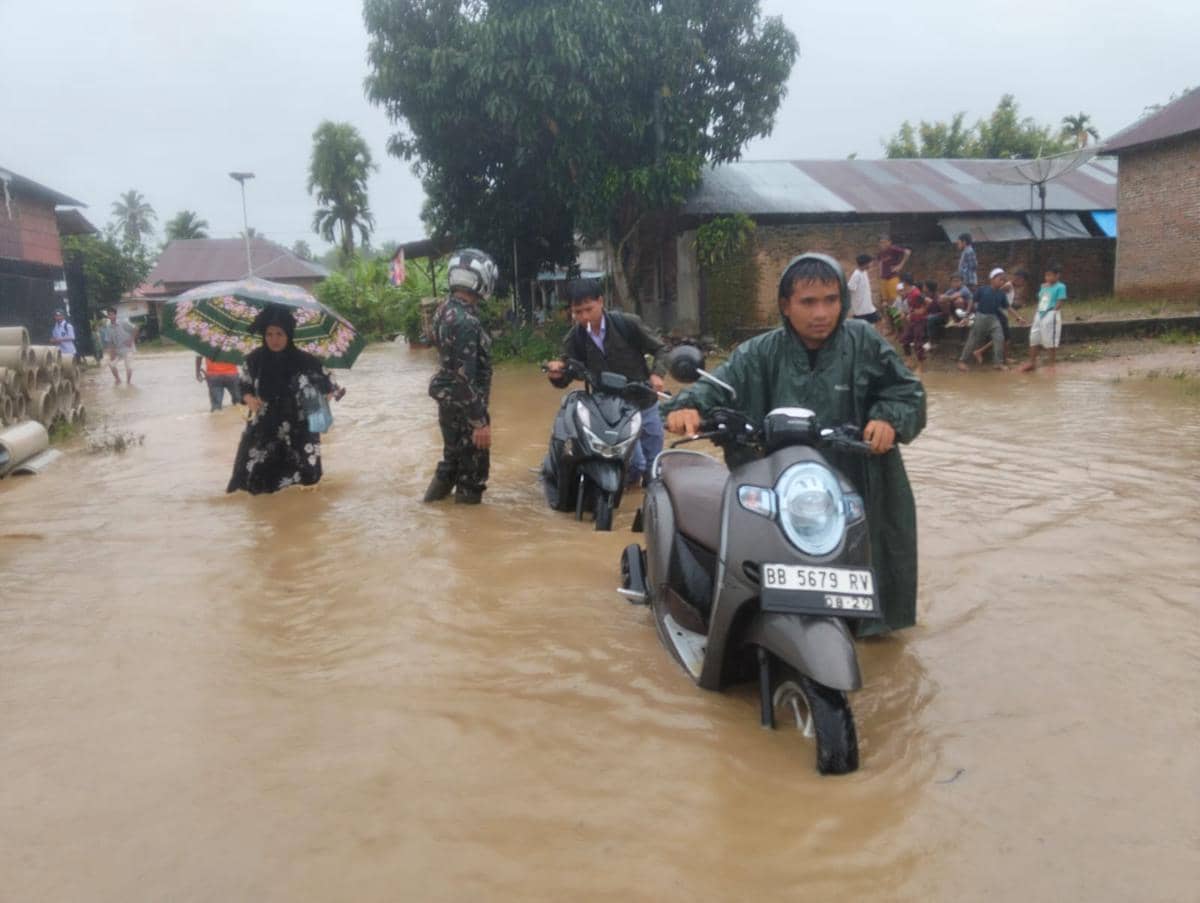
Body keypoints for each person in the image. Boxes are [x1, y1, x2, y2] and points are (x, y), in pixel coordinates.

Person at [662, 252, 926, 635]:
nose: (821, 313)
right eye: (808, 302)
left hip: (861, 480)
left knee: (876, 610)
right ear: (785, 306)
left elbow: (908, 393)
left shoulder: (864, 341)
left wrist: (888, 418)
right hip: (782, 486)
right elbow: (714, 388)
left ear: (844, 302)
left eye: (831, 300)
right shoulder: (760, 352)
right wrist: (686, 408)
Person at [545, 277, 667, 486]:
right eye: (578, 312)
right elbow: (569, 372)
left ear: (601, 301)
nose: (584, 317)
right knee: (635, 464)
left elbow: (661, 349)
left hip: (644, 400)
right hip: (610, 411)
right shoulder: (574, 339)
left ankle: (646, 505)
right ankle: (619, 497)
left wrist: (657, 374)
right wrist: (556, 374)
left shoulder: (627, 324)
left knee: (653, 466)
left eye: (588, 309)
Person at [226, 305, 337, 495]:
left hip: (300, 429)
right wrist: (250, 399)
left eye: (279, 334)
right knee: (258, 487)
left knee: (305, 486)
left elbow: (329, 385)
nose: (274, 340)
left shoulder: (306, 360)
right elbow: (242, 386)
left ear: (289, 334)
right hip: (264, 429)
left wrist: (320, 400)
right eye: (269, 334)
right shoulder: (254, 360)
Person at [423, 248, 499, 505]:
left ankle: (428, 511)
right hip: (468, 410)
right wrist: (479, 421)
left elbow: (445, 360)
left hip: (449, 408)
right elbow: (464, 377)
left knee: (452, 463)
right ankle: (471, 537)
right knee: (472, 477)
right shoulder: (467, 321)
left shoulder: (443, 311)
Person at [958, 267, 1010, 371]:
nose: (1002, 281)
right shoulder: (983, 290)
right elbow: (972, 301)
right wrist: (966, 316)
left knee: (999, 338)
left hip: (994, 319)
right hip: (981, 317)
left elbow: (1007, 307)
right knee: (973, 340)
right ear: (992, 279)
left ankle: (998, 363)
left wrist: (1018, 317)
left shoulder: (1001, 294)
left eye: (1003, 280)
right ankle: (962, 361)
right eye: (1000, 279)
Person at [1021, 262, 1068, 372]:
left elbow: (1060, 301)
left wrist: (1053, 312)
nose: (1047, 277)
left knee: (1050, 339)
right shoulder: (1043, 286)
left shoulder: (1061, 286)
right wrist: (1038, 312)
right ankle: (1032, 362)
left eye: (1050, 275)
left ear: (1057, 275)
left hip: (1051, 313)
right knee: (1034, 337)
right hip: (1040, 313)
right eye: (1046, 275)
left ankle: (1052, 365)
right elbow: (1041, 299)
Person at [876, 235, 911, 331]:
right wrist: (880, 275)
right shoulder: (880, 253)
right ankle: (890, 328)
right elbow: (880, 265)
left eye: (885, 242)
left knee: (895, 303)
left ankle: (898, 328)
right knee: (885, 304)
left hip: (893, 278)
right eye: (881, 242)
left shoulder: (893, 249)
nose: (883, 244)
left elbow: (907, 252)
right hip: (883, 279)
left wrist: (900, 265)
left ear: (889, 242)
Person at [98, 308, 137, 385]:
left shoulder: (123, 323)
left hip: (128, 349)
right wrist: (111, 354)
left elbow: (135, 328)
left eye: (112, 314)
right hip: (118, 350)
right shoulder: (108, 327)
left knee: (128, 367)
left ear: (115, 315)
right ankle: (118, 379)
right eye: (109, 315)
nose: (110, 316)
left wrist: (131, 340)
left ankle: (128, 383)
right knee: (111, 365)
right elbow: (110, 342)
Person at [901, 283, 932, 375]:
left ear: (907, 284)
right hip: (913, 321)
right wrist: (910, 314)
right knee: (904, 339)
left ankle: (921, 367)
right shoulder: (909, 294)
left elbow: (929, 301)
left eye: (903, 285)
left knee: (918, 343)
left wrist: (923, 310)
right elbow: (912, 307)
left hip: (920, 321)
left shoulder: (916, 293)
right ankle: (909, 362)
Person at [846, 254, 880, 329]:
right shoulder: (856, 275)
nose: (871, 265)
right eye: (870, 263)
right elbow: (850, 288)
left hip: (868, 307)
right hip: (861, 309)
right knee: (862, 328)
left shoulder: (864, 272)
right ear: (865, 263)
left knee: (875, 323)